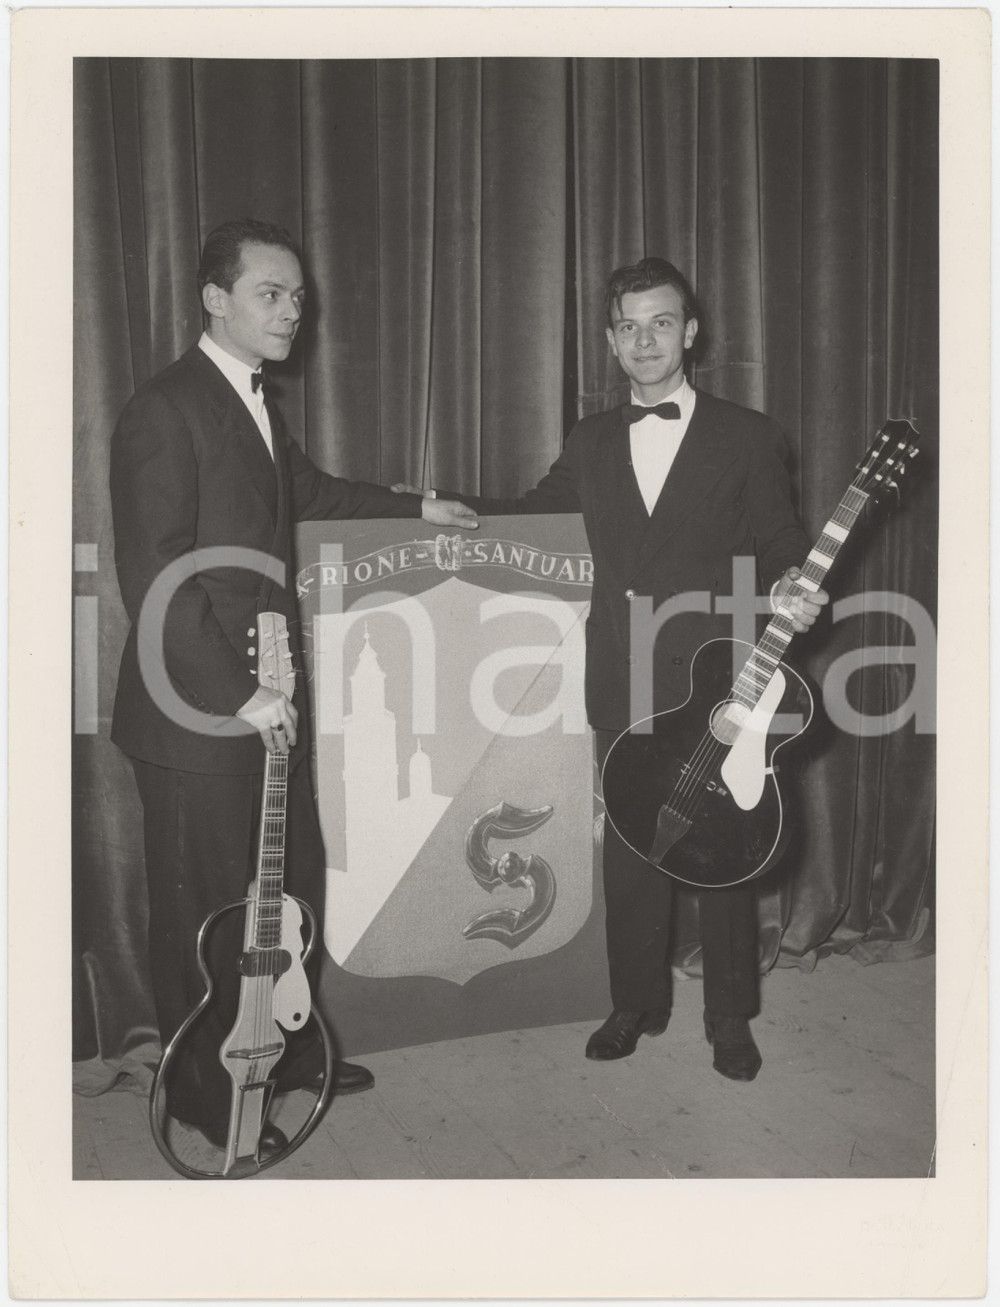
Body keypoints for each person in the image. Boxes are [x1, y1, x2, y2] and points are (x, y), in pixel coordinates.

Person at [110, 218, 478, 1155]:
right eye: (272, 294)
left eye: (298, 298)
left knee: (288, 897)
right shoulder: (167, 407)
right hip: (200, 716)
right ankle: (204, 1098)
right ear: (215, 298)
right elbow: (155, 576)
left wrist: (417, 506)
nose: (291, 312)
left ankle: (289, 1057)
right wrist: (238, 694)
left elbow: (310, 493)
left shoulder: (253, 400)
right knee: (209, 920)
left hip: (268, 703)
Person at [437, 257, 827, 1080]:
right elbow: (534, 515)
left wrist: (795, 577)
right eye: (628, 326)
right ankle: (633, 1003)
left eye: (661, 322)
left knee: (723, 847)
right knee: (631, 848)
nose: (644, 339)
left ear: (690, 333)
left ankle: (730, 1017)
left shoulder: (748, 435)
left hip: (720, 675)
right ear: (612, 342)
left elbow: (783, 536)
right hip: (620, 671)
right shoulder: (591, 441)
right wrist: (448, 512)